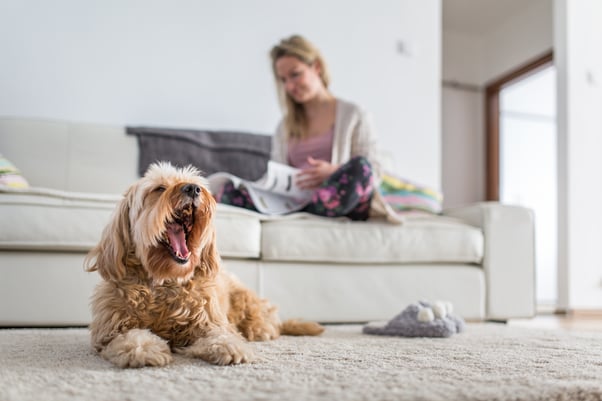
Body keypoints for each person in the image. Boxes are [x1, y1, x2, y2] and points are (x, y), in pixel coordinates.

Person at [217, 34, 398, 222]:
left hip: (340, 197)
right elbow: (277, 173)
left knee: (362, 167)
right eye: (283, 80)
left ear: (317, 67)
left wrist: (334, 171)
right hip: (296, 201)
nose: (289, 86)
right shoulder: (285, 125)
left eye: (295, 75)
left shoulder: (354, 115)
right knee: (228, 192)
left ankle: (315, 208)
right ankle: (305, 210)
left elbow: (374, 171)